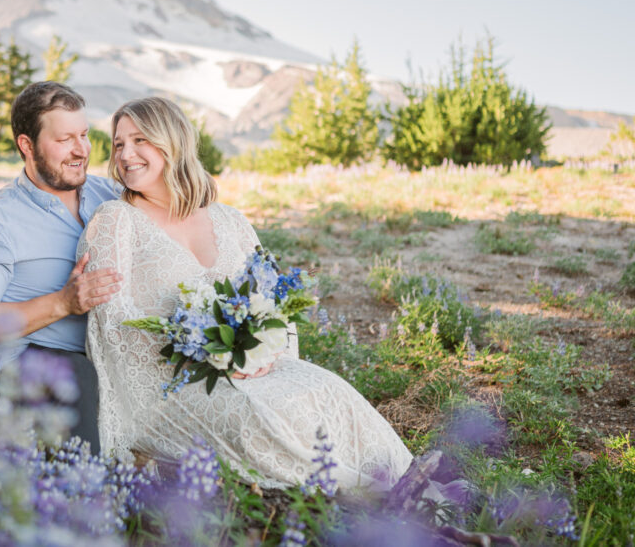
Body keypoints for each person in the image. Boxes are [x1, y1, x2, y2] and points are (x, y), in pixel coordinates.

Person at [78, 97, 413, 489]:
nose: (126, 154)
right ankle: (375, 497)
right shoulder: (116, 221)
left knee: (326, 390)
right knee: (256, 413)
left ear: (173, 143)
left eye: (140, 140)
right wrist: (207, 354)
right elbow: (112, 324)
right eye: (118, 144)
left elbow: (272, 302)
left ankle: (411, 482)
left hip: (255, 368)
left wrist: (262, 356)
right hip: (168, 387)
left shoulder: (229, 219)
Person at [0, 81, 122, 452]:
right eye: (64, 140)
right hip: (43, 361)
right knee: (78, 376)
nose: (81, 151)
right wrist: (62, 304)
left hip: (118, 352)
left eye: (84, 135)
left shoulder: (113, 195)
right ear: (26, 145)